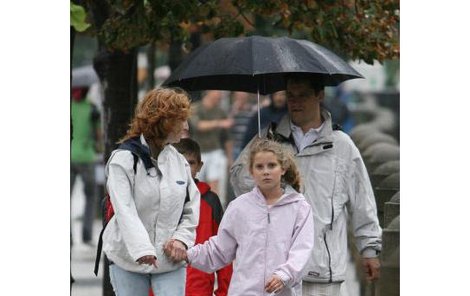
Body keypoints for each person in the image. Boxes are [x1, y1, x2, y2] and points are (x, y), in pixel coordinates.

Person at [231, 74, 382, 296]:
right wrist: (265, 172)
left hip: (323, 268)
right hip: (278, 268)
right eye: (290, 96)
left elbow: (362, 200)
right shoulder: (271, 140)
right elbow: (239, 180)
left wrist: (369, 249)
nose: (295, 102)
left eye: (302, 95)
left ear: (319, 95)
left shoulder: (342, 146)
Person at [170, 138, 314, 296]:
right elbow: (220, 250)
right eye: (259, 167)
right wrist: (188, 254)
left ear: (283, 169)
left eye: (272, 165)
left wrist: (284, 275)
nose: (266, 171)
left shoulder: (300, 207)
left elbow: (302, 252)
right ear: (251, 172)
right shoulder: (238, 207)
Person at [102, 87, 200, 296]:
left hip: (169, 262)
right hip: (128, 259)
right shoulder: (123, 160)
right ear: (162, 121)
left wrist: (181, 240)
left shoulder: (178, 161)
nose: (185, 126)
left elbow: (191, 208)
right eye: (180, 120)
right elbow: (124, 210)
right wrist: (142, 250)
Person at [172, 138, 233, 296]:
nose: (185, 169)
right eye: (180, 163)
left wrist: (224, 292)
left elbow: (223, 250)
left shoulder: (211, 201)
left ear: (199, 166)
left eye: (190, 163)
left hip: (199, 290)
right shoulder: (156, 198)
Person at [189, 90, 233, 205]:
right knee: (197, 185)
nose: (219, 95)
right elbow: (198, 126)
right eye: (216, 92)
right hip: (199, 153)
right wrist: (219, 123)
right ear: (208, 93)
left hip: (216, 151)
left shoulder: (221, 111)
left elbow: (227, 138)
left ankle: (216, 210)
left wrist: (230, 158)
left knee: (216, 185)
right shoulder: (195, 108)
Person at [71, 86, 103, 245]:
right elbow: (99, 135)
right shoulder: (92, 109)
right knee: (90, 197)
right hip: (86, 157)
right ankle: (87, 235)